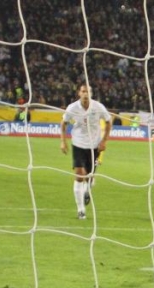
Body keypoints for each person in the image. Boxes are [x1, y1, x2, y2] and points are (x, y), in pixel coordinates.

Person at [60, 83, 111, 220]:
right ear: (79, 93)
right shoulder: (73, 108)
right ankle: (81, 210)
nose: (85, 94)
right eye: (83, 91)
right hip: (78, 144)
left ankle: (87, 190)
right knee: (79, 175)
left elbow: (109, 121)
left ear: (91, 94)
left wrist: (104, 140)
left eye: (88, 91)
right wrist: (63, 142)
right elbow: (63, 123)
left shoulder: (98, 107)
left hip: (94, 146)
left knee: (90, 177)